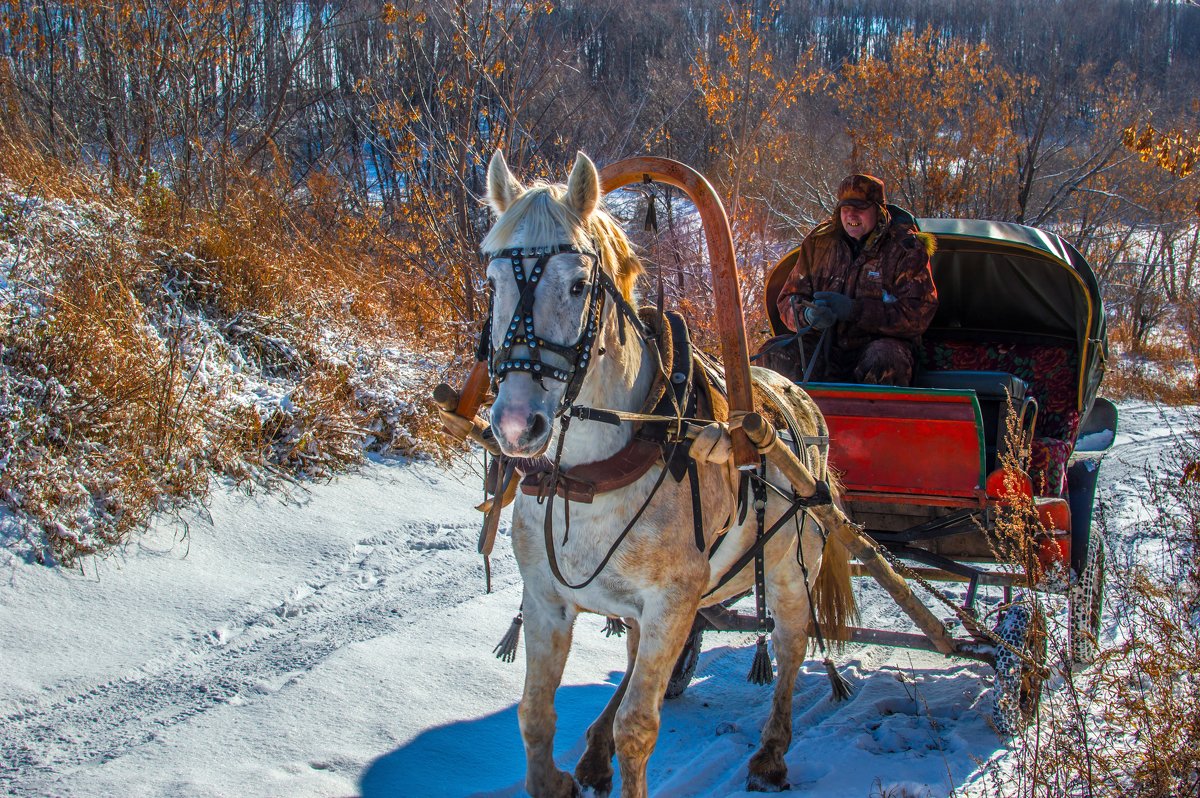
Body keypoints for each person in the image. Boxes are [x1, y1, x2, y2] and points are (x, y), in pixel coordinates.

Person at [773, 173, 937, 386]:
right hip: (825, 347)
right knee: (775, 355)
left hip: (878, 347)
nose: (851, 215)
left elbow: (917, 316)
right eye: (845, 208)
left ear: (878, 210)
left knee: (885, 359)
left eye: (859, 208)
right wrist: (808, 314)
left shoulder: (905, 249)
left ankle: (873, 420)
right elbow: (788, 299)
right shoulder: (818, 243)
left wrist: (854, 310)